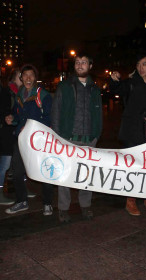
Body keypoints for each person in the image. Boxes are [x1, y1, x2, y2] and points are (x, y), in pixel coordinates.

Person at [110, 51, 146, 216]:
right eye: (138, 65)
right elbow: (116, 88)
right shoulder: (131, 83)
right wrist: (114, 79)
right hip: (133, 132)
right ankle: (131, 199)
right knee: (134, 167)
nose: (141, 68)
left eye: (144, 64)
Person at [52, 53, 102, 223]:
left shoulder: (95, 88)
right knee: (64, 174)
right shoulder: (65, 86)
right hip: (68, 138)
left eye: (84, 62)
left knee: (86, 175)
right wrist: (59, 137)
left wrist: (96, 135)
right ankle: (63, 208)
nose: (80, 65)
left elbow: (98, 114)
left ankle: (85, 205)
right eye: (78, 62)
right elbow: (56, 111)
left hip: (89, 140)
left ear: (90, 66)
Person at [4, 64, 54, 215]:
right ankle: (22, 201)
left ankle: (47, 203)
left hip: (39, 140)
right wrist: (11, 119)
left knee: (44, 171)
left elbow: (50, 117)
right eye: (25, 75)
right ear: (21, 78)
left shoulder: (42, 95)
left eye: (31, 75)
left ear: (35, 78)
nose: (28, 78)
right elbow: (17, 114)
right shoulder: (19, 94)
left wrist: (38, 131)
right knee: (17, 171)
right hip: (21, 139)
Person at [0, 69, 21, 205]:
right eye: (20, 75)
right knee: (5, 164)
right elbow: (3, 114)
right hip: (7, 133)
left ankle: (23, 190)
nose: (24, 78)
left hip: (18, 133)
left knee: (20, 163)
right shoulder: (7, 92)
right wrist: (10, 117)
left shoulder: (22, 93)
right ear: (13, 78)